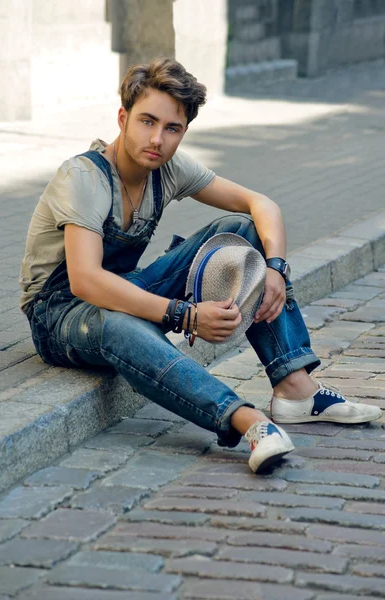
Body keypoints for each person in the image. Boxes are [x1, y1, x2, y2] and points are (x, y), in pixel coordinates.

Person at [19, 57, 381, 474]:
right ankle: (249, 422)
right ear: (123, 118)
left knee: (239, 231)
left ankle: (295, 387)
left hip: (122, 290)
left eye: (172, 128)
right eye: (146, 121)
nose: (157, 139)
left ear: (184, 131)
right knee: (118, 325)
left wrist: (277, 269)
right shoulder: (85, 178)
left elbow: (260, 205)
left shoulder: (168, 168)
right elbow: (85, 281)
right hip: (60, 315)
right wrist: (185, 316)